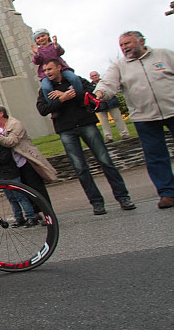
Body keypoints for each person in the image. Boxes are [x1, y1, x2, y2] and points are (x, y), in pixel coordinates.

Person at [36, 60, 136, 215]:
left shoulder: (76, 81)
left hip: (86, 123)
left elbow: (92, 95)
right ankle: (96, 202)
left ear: (59, 68)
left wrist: (71, 95)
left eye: (50, 69)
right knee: (80, 168)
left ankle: (123, 197)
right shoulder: (45, 89)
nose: (47, 72)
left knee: (105, 161)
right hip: (66, 129)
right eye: (45, 70)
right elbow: (42, 109)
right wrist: (61, 100)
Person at [94, 31, 174, 209]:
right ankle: (167, 192)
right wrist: (99, 94)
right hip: (144, 116)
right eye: (122, 45)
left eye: (128, 43)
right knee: (155, 156)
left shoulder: (164, 55)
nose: (124, 48)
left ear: (141, 41)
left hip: (172, 110)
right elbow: (108, 83)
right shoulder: (119, 66)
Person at [0, 105, 57, 205]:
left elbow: (11, 142)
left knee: (35, 188)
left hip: (25, 160)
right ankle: (34, 215)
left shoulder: (15, 124)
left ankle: (47, 212)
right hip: (11, 165)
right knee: (22, 191)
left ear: (1, 113)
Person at [0, 127, 38, 227]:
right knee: (11, 198)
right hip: (2, 176)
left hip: (11, 175)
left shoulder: (4, 147)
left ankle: (31, 216)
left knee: (20, 196)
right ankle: (19, 218)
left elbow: (4, 159)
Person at [31, 28, 83, 102]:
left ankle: (80, 97)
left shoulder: (53, 46)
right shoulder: (38, 50)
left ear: (47, 36)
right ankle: (53, 104)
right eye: (38, 38)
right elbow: (36, 61)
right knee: (46, 88)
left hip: (61, 69)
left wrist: (56, 46)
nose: (41, 38)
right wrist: (36, 54)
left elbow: (61, 52)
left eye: (43, 36)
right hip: (46, 73)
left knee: (74, 78)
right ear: (36, 41)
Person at [89, 70, 130, 143]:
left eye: (96, 75)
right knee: (104, 122)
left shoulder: (105, 83)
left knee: (118, 118)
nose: (95, 77)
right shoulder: (89, 86)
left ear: (98, 75)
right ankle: (108, 137)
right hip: (100, 105)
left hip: (111, 101)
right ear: (90, 78)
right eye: (93, 76)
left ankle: (124, 134)